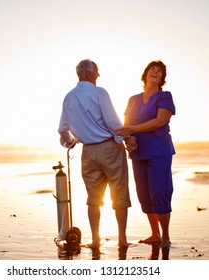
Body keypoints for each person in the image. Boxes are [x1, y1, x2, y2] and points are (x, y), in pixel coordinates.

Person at [58, 59, 137, 249]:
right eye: (97, 72)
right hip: (109, 149)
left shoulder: (69, 97)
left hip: (88, 152)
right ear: (89, 74)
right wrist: (127, 138)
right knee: (119, 193)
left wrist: (71, 142)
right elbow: (112, 122)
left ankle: (95, 240)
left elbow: (62, 129)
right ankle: (122, 240)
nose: (99, 75)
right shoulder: (99, 92)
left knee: (93, 198)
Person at [116, 60, 175, 248]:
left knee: (160, 192)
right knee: (145, 195)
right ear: (145, 74)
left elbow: (160, 121)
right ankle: (154, 234)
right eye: (152, 69)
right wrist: (129, 139)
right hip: (139, 152)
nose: (155, 71)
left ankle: (165, 235)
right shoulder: (133, 99)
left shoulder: (165, 96)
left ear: (162, 78)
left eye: (159, 71)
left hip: (159, 151)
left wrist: (133, 129)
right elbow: (126, 126)